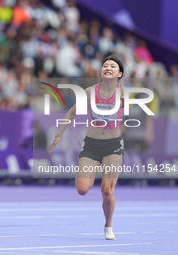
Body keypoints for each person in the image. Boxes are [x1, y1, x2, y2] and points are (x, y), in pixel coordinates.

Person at [49, 56, 125, 240]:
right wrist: (59, 135)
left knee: (107, 191)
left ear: (119, 73)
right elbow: (72, 112)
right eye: (105, 65)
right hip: (92, 144)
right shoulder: (90, 91)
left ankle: (108, 225)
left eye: (112, 66)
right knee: (82, 189)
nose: (107, 68)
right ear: (100, 72)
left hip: (113, 146)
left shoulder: (124, 94)